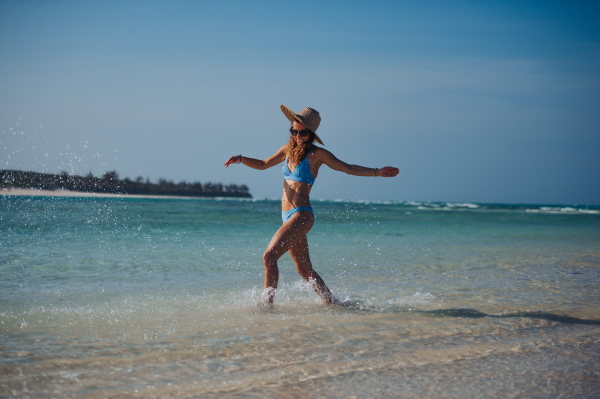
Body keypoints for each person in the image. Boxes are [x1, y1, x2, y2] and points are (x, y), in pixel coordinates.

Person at [225, 105, 399, 305]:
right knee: (304, 270)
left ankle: (267, 306)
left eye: (302, 133)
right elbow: (263, 164)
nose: (298, 135)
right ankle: (332, 303)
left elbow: (348, 168)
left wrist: (378, 172)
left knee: (269, 256)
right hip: (287, 217)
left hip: (302, 214)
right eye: (294, 131)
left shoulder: (317, 155)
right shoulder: (287, 150)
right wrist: (240, 159)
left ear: (311, 133)